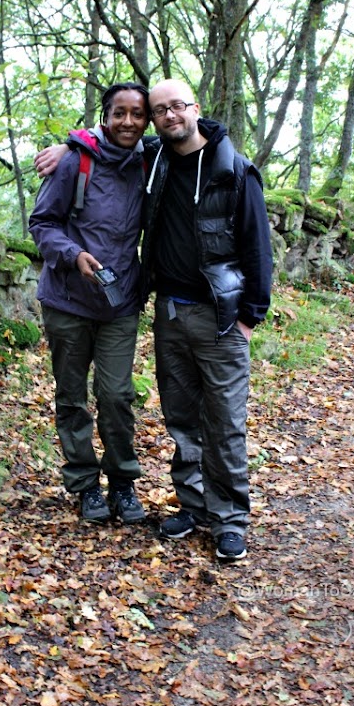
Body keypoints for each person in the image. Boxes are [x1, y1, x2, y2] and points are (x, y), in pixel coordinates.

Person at [35, 78, 272, 561]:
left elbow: (256, 245)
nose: (159, 117)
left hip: (200, 313)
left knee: (208, 418)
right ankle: (173, 502)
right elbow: (54, 208)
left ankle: (220, 516)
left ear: (193, 108)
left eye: (170, 108)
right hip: (143, 307)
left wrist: (251, 315)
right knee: (177, 417)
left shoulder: (219, 167)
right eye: (155, 110)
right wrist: (69, 145)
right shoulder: (131, 158)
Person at [29, 82, 149, 525]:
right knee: (72, 397)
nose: (128, 122)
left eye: (138, 114)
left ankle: (122, 483)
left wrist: (68, 140)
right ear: (105, 117)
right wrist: (71, 254)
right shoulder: (75, 163)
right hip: (67, 301)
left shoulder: (150, 162)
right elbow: (41, 222)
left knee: (116, 395)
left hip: (120, 302)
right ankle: (84, 486)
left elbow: (199, 133)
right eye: (120, 113)